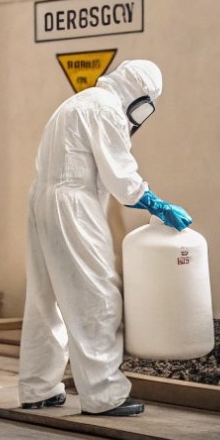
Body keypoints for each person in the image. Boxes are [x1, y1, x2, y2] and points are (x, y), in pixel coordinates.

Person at [18, 59, 192, 417]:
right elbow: (121, 176)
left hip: (42, 199)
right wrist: (155, 203)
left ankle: (38, 387)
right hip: (73, 205)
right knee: (97, 297)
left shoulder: (76, 102)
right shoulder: (106, 109)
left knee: (44, 296)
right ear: (138, 95)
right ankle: (104, 395)